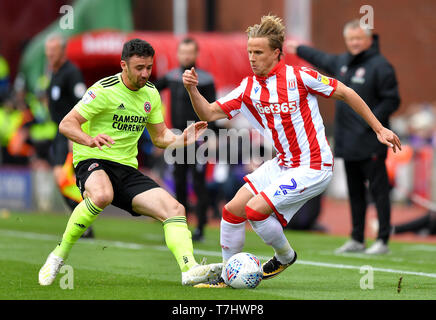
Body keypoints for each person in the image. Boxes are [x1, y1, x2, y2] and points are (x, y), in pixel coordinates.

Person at [182, 15, 401, 287]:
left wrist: (379, 128)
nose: (252, 57)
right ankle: (229, 275)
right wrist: (192, 90)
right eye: (249, 51)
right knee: (232, 211)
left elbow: (346, 92)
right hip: (283, 163)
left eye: (258, 52)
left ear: (276, 53)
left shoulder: (300, 77)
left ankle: (285, 256)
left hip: (314, 165)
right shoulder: (248, 88)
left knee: (255, 211)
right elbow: (208, 112)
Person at [38, 38, 222, 287]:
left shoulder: (151, 94)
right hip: (93, 159)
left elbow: (159, 137)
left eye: (149, 67)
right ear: (123, 65)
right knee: (102, 195)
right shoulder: (104, 90)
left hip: (126, 169)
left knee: (175, 209)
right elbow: (66, 124)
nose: (145, 73)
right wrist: (89, 139)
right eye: (139, 68)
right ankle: (58, 255)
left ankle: (189, 269)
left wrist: (182, 139)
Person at [287, 19, 401, 254]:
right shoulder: (342, 62)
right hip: (348, 143)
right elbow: (321, 58)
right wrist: (297, 49)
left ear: (369, 39)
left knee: (378, 192)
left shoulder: (381, 66)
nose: (355, 43)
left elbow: (392, 99)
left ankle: (382, 240)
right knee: (355, 192)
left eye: (359, 38)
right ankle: (357, 238)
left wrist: (372, 122)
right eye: (351, 39)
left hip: (371, 141)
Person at [155, 37, 216, 242]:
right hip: (178, 138)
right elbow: (150, 88)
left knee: (199, 183)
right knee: (179, 182)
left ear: (196, 54)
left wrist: (212, 136)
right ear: (178, 54)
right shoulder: (172, 76)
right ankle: (181, 225)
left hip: (199, 139)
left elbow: (213, 109)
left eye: (190, 52)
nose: (186, 56)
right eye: (183, 52)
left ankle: (200, 227)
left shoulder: (205, 79)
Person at [45, 33, 94, 237]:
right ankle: (82, 221)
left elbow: (82, 103)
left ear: (63, 51)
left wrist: (74, 135)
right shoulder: (53, 73)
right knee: (61, 179)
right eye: (48, 52)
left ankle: (86, 217)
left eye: (53, 51)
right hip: (59, 132)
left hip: (69, 133)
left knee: (65, 178)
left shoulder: (71, 72)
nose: (49, 55)